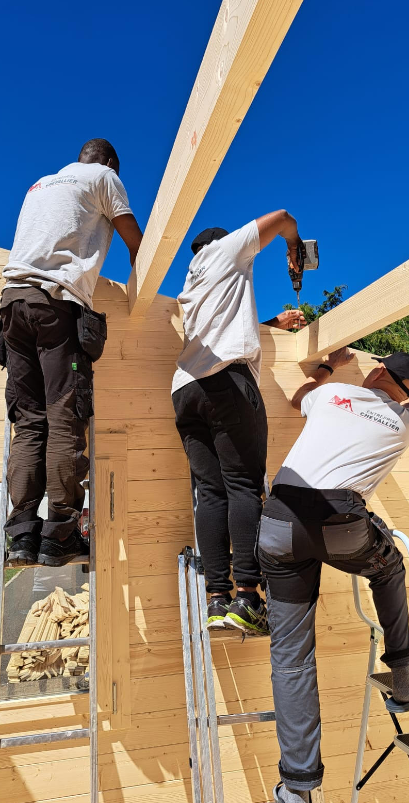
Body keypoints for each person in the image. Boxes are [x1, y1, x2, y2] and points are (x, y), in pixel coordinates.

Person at [260, 349, 409, 803]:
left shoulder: (335, 392)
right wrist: (407, 401)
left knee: (291, 657)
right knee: (389, 565)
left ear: (376, 372)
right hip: (341, 526)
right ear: (408, 393)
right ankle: (403, 676)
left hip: (279, 524)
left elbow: (301, 397)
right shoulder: (407, 423)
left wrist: (329, 367)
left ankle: (297, 786)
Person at [0, 138, 143, 567]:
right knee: (64, 415)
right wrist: (144, 284)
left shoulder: (40, 183)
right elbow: (136, 240)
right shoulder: (105, 178)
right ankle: (59, 533)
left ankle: (22, 532)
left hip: (12, 303)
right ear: (111, 163)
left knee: (29, 422)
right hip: (55, 305)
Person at [171, 212, 307, 634]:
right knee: (244, 487)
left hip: (185, 389)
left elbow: (226, 328)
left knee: (211, 494)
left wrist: (273, 324)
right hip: (228, 383)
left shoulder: (191, 283)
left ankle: (218, 600)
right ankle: (247, 597)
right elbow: (283, 217)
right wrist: (293, 246)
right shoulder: (225, 251)